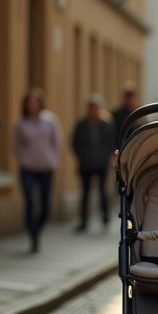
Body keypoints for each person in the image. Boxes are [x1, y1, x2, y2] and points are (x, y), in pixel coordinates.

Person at [14, 88, 62, 253]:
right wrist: (22, 159)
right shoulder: (21, 123)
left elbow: (57, 142)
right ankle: (33, 236)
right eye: (30, 102)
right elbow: (16, 145)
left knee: (45, 207)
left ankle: (37, 229)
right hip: (27, 167)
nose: (32, 105)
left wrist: (54, 160)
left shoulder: (50, 120)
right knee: (30, 202)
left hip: (46, 167)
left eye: (35, 101)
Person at [71, 94, 117, 232]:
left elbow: (111, 142)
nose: (93, 110)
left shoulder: (106, 124)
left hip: (101, 163)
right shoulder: (81, 124)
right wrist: (82, 155)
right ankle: (84, 221)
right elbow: (74, 142)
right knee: (85, 193)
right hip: (86, 164)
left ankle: (105, 217)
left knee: (103, 191)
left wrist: (107, 156)